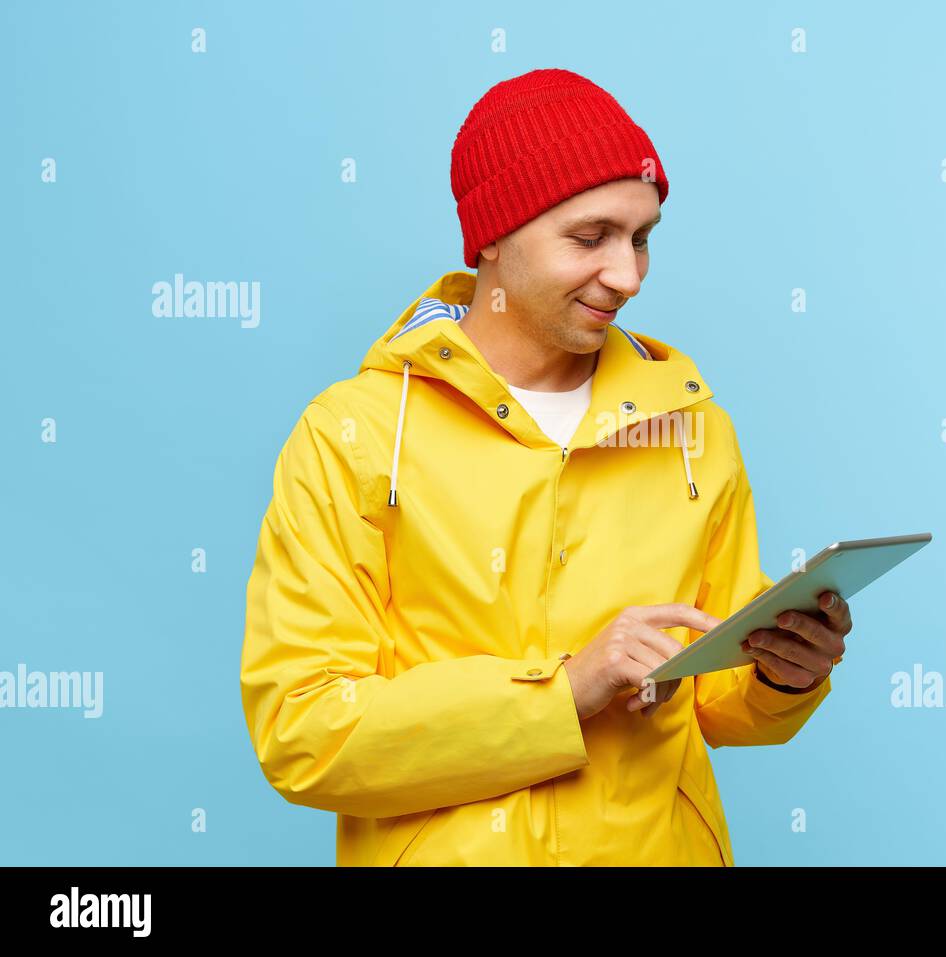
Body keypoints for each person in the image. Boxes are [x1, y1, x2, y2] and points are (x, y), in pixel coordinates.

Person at [239, 67, 852, 867]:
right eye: (590, 237)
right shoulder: (352, 434)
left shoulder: (696, 428)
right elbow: (302, 728)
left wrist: (782, 676)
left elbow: (715, 703)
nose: (627, 276)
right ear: (493, 235)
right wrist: (562, 695)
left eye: (642, 237)